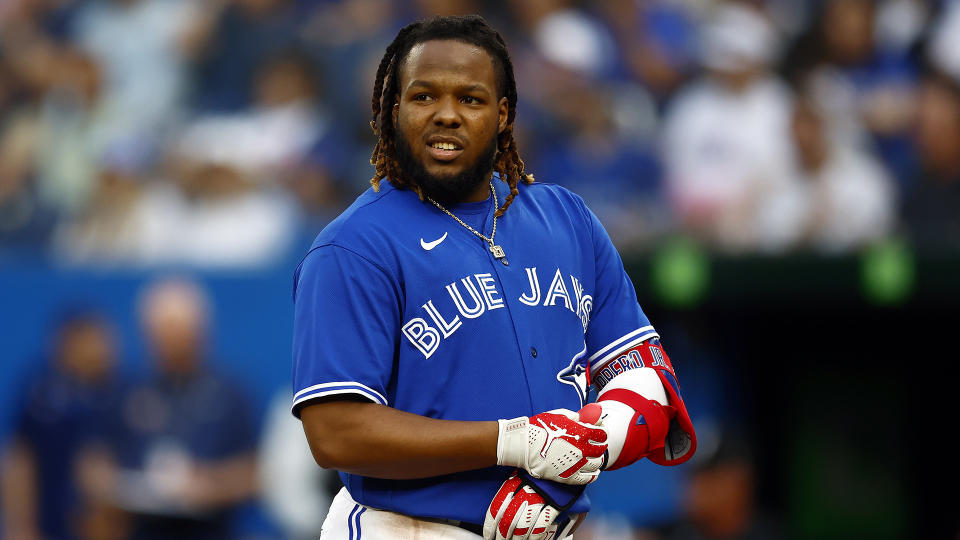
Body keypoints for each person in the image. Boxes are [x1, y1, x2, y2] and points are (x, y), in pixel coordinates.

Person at [291, 15, 697, 540]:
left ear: (503, 114)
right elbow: (336, 434)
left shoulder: (566, 219)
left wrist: (564, 463)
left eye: (471, 99)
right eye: (423, 97)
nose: (446, 115)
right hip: (409, 529)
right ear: (392, 112)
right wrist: (514, 442)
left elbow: (649, 383)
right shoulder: (352, 247)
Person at [105, 277, 258, 540]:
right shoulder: (125, 391)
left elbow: (255, 473)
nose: (170, 343)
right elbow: (95, 461)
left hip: (211, 531)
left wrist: (211, 486)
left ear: (200, 332)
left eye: (178, 332)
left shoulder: (231, 393)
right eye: (162, 333)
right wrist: (116, 486)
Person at [1, 306, 125, 540]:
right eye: (95, 341)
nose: (104, 349)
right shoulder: (40, 392)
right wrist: (19, 527)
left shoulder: (122, 392)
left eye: (107, 341)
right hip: (47, 527)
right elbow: (19, 459)